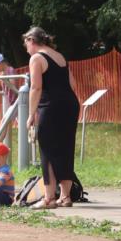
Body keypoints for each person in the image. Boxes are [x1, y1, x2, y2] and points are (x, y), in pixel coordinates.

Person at [24, 26, 79, 208]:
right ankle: (65, 196)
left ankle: (48, 198)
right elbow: (72, 84)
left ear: (32, 40)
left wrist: (31, 114)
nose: (26, 48)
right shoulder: (60, 56)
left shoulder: (36, 58)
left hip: (51, 106)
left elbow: (36, 88)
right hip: (70, 104)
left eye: (26, 44)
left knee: (47, 148)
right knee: (65, 148)